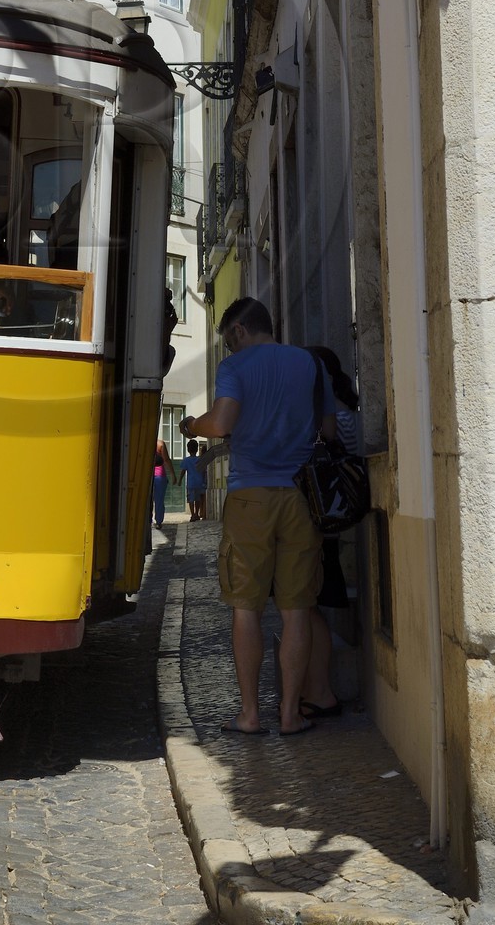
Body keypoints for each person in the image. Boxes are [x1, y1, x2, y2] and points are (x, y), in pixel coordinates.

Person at [181, 296, 336, 737]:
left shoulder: (236, 368)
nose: (229, 351)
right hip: (302, 497)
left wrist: (192, 425)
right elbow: (326, 430)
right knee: (297, 609)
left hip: (250, 496)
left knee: (246, 608)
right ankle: (290, 714)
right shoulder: (309, 364)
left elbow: (223, 422)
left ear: (239, 332)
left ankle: (250, 715)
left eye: (228, 342)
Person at [300, 345, 360, 720]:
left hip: (323, 522)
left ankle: (319, 692)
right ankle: (314, 690)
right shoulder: (347, 409)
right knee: (307, 606)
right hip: (334, 522)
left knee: (306, 605)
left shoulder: (332, 418)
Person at [180, 438, 221, 521]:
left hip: (191, 483)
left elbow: (183, 471)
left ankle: (192, 515)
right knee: (198, 499)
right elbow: (203, 470)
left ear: (188, 449)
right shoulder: (200, 459)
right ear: (196, 449)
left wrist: (180, 480)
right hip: (199, 482)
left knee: (191, 499)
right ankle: (197, 513)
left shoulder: (186, 460)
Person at [152, 435, 177, 527]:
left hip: (148, 475)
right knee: (159, 499)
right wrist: (173, 474)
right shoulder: (160, 444)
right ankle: (158, 521)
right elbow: (166, 459)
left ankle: (148, 520)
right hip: (160, 475)